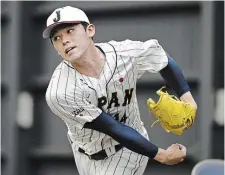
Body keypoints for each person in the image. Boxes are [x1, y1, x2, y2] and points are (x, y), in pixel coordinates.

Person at [43, 6, 197, 175]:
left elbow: (162, 58)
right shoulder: (60, 91)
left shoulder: (125, 53)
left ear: (90, 30)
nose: (64, 40)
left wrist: (187, 98)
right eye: (57, 38)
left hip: (127, 150)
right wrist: (163, 155)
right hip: (83, 153)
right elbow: (109, 126)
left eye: (70, 30)